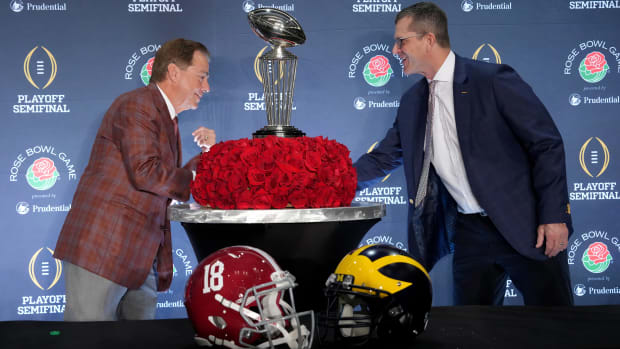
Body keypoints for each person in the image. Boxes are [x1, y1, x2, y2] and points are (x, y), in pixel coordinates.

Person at [354, 2, 573, 306]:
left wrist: (554, 216)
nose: (394, 49)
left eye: (402, 41)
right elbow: (383, 158)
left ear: (429, 39)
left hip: (528, 225)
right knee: (472, 328)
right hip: (470, 233)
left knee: (557, 326)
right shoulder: (412, 102)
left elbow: (546, 145)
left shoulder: (492, 80)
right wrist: (331, 186)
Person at [54, 38, 216, 320]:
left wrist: (209, 156)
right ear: (174, 72)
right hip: (104, 249)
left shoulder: (166, 116)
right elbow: (147, 173)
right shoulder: (138, 105)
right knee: (88, 341)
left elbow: (161, 179)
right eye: (201, 77)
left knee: (139, 340)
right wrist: (194, 175)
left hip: (140, 256)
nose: (206, 88)